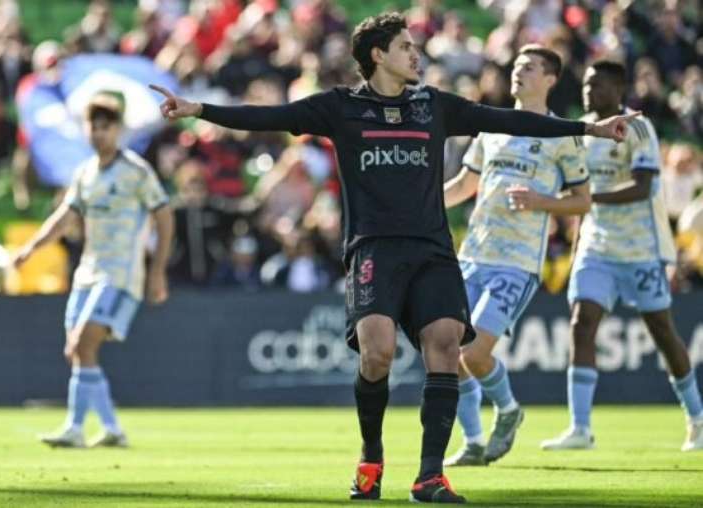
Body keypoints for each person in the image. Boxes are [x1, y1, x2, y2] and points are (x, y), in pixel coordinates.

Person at [151, 13, 637, 503]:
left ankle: (430, 476)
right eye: (406, 46)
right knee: (377, 351)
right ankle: (371, 457)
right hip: (374, 250)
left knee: (445, 344)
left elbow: (507, 118)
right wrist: (198, 109)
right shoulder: (340, 108)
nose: (416, 53)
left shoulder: (434, 106)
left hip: (432, 249)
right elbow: (269, 116)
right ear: (378, 56)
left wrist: (589, 129)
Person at [540, 61, 703, 452]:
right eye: (586, 82)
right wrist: (577, 233)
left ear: (619, 88)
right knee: (582, 323)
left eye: (597, 83)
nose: (588, 89)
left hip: (642, 248)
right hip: (596, 246)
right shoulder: (581, 131)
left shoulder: (638, 127)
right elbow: (577, 191)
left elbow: (642, 187)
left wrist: (586, 199)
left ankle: (697, 419)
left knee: (662, 331)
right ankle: (580, 428)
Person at [442, 45, 591, 466]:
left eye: (529, 67)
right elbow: (463, 186)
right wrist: (422, 203)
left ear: (550, 79)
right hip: (473, 256)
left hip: (518, 262)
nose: (518, 72)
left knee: (473, 354)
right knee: (448, 354)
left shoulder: (561, 134)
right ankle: (472, 442)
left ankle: (508, 411)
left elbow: (583, 202)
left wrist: (543, 200)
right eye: (516, 65)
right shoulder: (490, 128)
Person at [13, 92, 174, 448]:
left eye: (106, 127)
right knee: (78, 352)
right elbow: (63, 219)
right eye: (94, 126)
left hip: (120, 273)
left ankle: (74, 428)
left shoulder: (135, 171)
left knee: (81, 344)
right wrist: (30, 248)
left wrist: (157, 270)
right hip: (87, 272)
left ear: (117, 130)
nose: (99, 133)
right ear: (86, 129)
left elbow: (164, 215)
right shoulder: (85, 173)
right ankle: (112, 429)